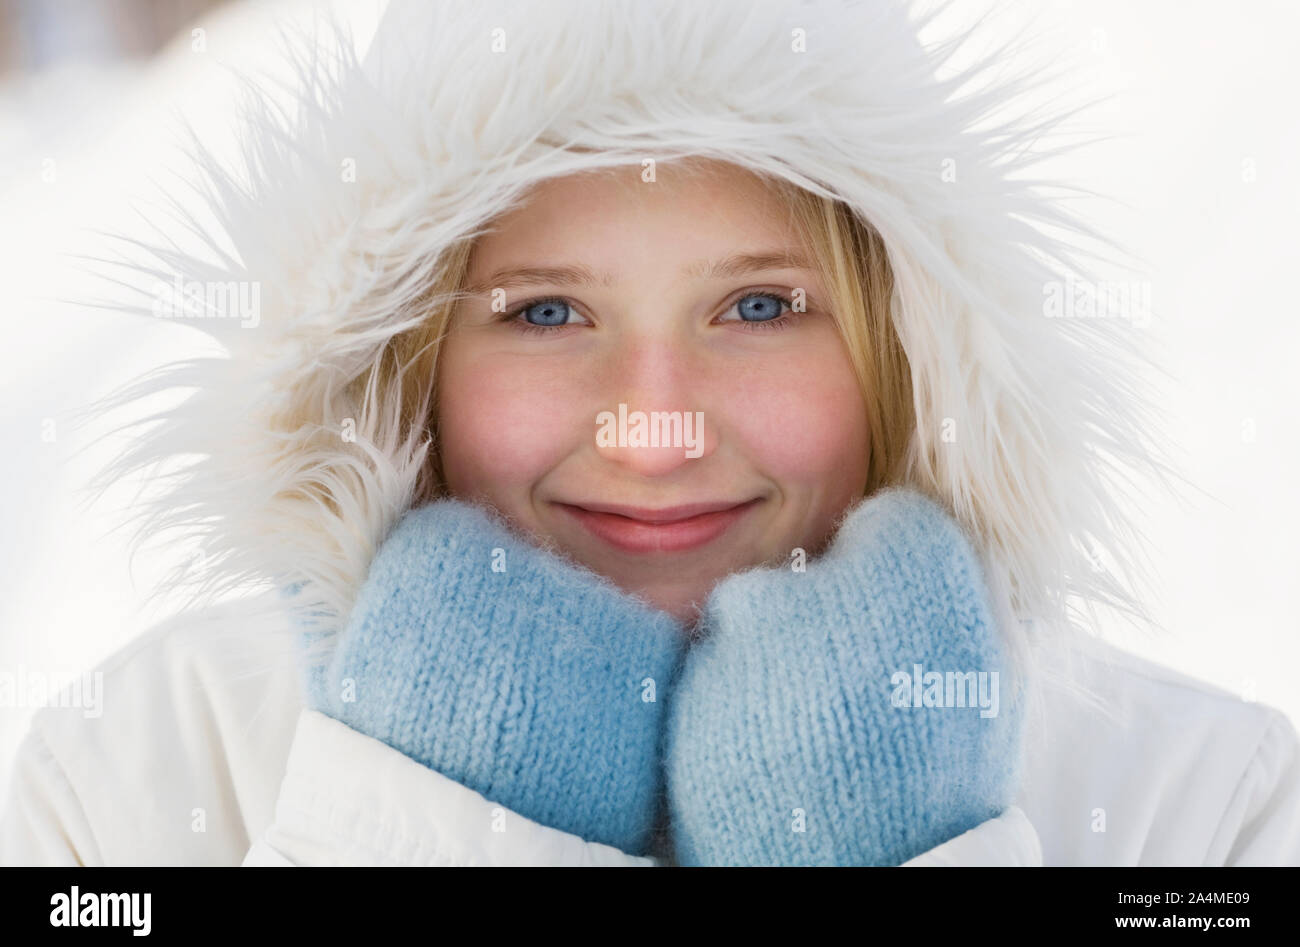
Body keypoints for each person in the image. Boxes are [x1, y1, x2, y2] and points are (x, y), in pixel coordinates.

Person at [3, 0, 1297, 866]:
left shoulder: (1205, 810)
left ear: (905, 346)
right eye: (548, 312)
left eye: (761, 306)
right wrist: (434, 824)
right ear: (401, 365)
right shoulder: (133, 778)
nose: (658, 427)